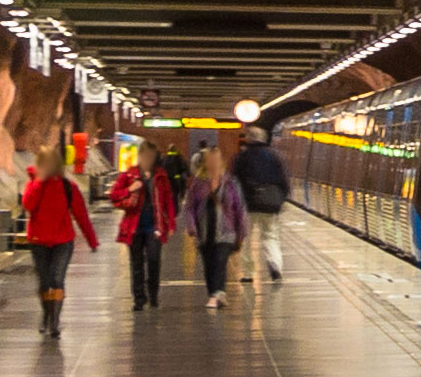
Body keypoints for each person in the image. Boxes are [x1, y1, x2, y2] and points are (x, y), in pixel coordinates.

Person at [17, 141, 100, 340]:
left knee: (57, 279)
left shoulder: (67, 187)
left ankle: (54, 320)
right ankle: (46, 314)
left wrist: (92, 240)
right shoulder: (34, 183)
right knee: (45, 282)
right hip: (39, 241)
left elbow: (81, 214)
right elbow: (28, 204)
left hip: (63, 240)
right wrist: (39, 181)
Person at [107, 148, 178, 308]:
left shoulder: (160, 175)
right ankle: (139, 298)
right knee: (136, 262)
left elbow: (168, 199)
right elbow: (114, 195)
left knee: (154, 260)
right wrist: (130, 189)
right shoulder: (130, 175)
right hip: (134, 226)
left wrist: (171, 223)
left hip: (155, 225)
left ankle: (153, 293)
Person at [231, 125, 293, 287]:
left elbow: (234, 181)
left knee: (246, 239)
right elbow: (284, 180)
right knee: (271, 236)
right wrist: (283, 198)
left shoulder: (242, 157)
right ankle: (275, 265)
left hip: (248, 204)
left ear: (249, 139)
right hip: (271, 203)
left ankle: (247, 273)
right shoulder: (275, 156)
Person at [190, 139, 249, 302]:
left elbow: (240, 208)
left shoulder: (231, 183)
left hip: (226, 232)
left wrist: (242, 232)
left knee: (220, 261)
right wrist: (192, 227)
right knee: (209, 265)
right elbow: (190, 208)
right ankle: (213, 293)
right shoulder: (198, 184)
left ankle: (219, 293)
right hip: (204, 232)